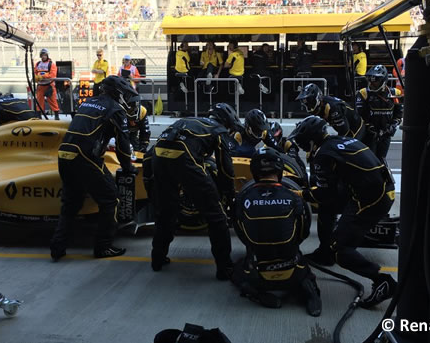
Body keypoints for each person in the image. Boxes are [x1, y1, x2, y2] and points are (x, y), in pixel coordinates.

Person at [288, 116, 397, 308]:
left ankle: (382, 281)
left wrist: (298, 194)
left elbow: (323, 193)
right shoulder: (342, 139)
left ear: (311, 140)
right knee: (329, 211)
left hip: (372, 199)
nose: (301, 145)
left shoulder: (323, 155)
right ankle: (326, 252)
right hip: (378, 189)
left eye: (302, 142)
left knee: (339, 248)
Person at [50, 76, 139, 261]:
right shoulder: (115, 109)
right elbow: (123, 145)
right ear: (119, 93)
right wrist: (128, 168)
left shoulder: (88, 102)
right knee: (110, 199)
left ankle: (57, 247)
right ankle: (104, 246)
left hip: (65, 154)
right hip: (85, 156)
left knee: (70, 204)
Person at [151, 103, 241, 280]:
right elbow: (225, 168)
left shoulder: (186, 120)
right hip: (184, 158)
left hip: (159, 155)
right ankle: (224, 268)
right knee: (216, 217)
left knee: (166, 212)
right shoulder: (218, 130)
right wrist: (228, 194)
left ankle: (157, 259)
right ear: (227, 122)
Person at [232, 148, 321, 317]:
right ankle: (310, 290)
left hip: (259, 274)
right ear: (279, 170)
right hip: (293, 270)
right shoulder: (294, 196)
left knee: (236, 270)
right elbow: (303, 233)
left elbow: (242, 234)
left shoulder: (242, 198)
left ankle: (256, 293)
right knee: (302, 264)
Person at [355, 65, 403, 160]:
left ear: (384, 81)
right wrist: (369, 127)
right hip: (369, 134)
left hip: (386, 134)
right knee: (369, 159)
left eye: (375, 82)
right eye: (370, 81)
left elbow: (399, 113)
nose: (372, 84)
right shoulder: (363, 93)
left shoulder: (395, 93)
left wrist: (393, 125)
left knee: (381, 159)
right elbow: (359, 115)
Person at [296, 83, 365, 140]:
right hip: (344, 128)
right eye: (307, 104)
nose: (308, 106)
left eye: (310, 102)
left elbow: (344, 131)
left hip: (355, 128)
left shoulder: (333, 107)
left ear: (317, 98)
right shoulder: (320, 106)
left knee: (345, 148)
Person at [34, 48, 60, 120]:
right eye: (42, 55)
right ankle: (39, 115)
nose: (44, 56)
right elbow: (35, 73)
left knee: (52, 101)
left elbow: (53, 75)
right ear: (40, 56)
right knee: (39, 101)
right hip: (40, 86)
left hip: (49, 85)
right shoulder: (38, 64)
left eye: (45, 55)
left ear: (47, 55)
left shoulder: (51, 64)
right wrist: (36, 77)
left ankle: (56, 115)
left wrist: (42, 76)